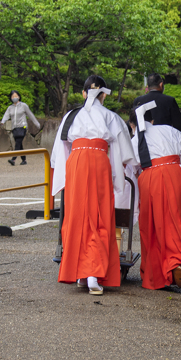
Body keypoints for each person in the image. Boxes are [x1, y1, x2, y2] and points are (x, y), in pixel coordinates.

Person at [51, 75, 137, 295]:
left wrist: (62, 175)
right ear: (103, 96)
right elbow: (125, 152)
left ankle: (80, 273)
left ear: (83, 93)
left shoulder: (71, 116)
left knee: (76, 216)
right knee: (99, 216)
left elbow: (59, 151)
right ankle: (93, 275)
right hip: (99, 160)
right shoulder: (110, 116)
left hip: (77, 162)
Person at [129, 101, 181, 290]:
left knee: (153, 226)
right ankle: (178, 261)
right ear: (153, 120)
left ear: (133, 126)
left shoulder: (135, 140)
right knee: (179, 220)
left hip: (150, 178)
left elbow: (130, 168)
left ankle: (159, 274)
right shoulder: (169, 130)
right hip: (175, 175)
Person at [0, 90, 41, 166]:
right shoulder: (10, 108)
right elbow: (6, 115)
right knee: (19, 145)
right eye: (12, 96)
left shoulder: (23, 105)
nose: (14, 98)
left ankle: (13, 159)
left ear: (19, 97)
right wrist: (3, 121)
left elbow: (30, 115)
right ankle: (24, 160)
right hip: (14, 128)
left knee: (17, 143)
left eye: (16, 96)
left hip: (23, 127)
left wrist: (37, 124)